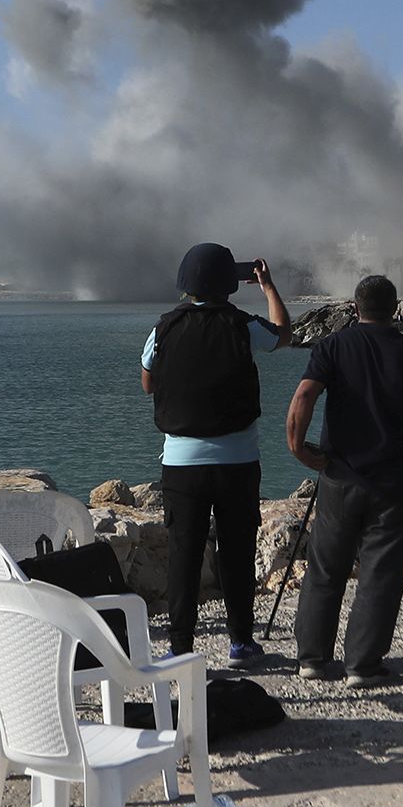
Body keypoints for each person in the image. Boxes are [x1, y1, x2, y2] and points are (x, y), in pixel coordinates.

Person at [285, 275, 403, 688]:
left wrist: (299, 450)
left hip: (340, 476)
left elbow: (304, 396)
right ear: (395, 309)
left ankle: (312, 659)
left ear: (354, 308)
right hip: (397, 481)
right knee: (382, 573)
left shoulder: (333, 346)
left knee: (325, 567)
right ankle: (362, 664)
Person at [141, 243, 292, 665]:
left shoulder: (164, 328)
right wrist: (267, 287)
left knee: (183, 556)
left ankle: (179, 648)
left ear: (185, 284)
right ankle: (241, 643)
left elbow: (147, 383)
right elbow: (284, 333)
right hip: (238, 463)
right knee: (237, 553)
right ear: (230, 282)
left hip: (181, 466)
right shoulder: (243, 326)